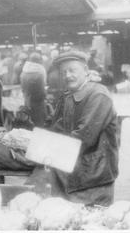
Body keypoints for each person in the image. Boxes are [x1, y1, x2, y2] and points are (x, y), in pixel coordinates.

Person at [28, 50, 119, 206]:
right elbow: (56, 128)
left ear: (85, 70)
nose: (67, 75)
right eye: (63, 72)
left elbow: (83, 139)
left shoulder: (98, 96)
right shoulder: (69, 95)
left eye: (72, 70)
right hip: (76, 165)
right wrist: (33, 134)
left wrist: (40, 146)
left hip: (93, 173)